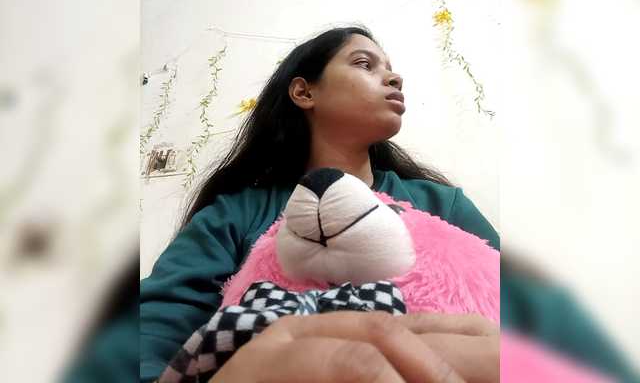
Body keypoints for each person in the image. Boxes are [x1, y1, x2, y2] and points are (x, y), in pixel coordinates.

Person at [140, 26, 500, 382]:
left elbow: (523, 314)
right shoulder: (234, 214)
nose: (395, 78)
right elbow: (154, 330)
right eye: (364, 64)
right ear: (304, 92)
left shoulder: (444, 204)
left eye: (390, 68)